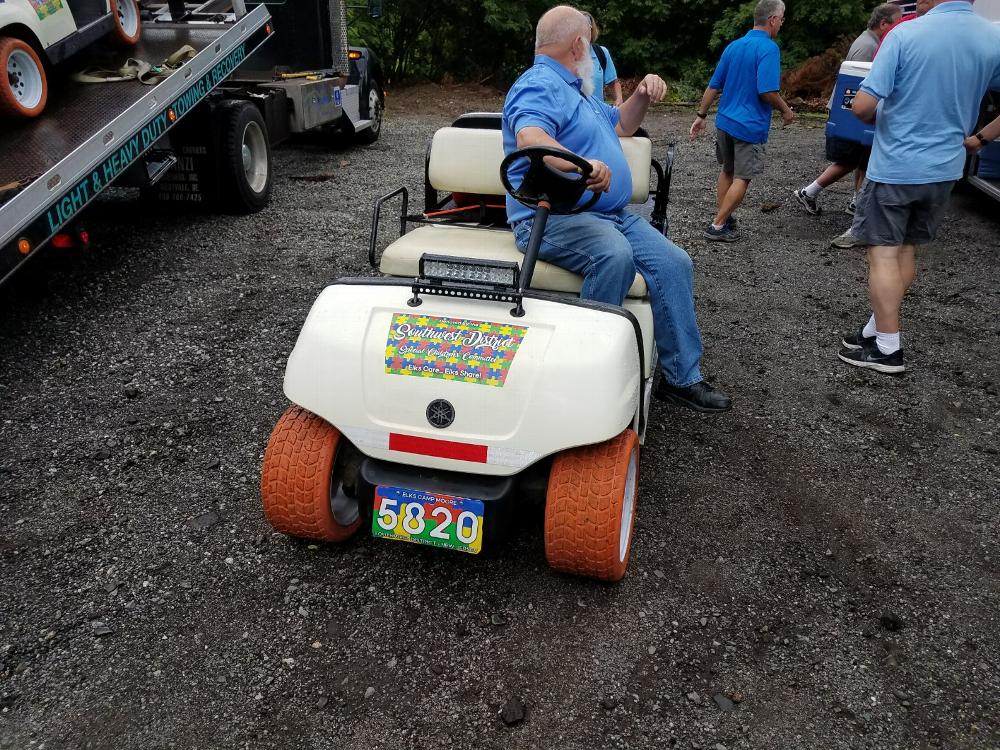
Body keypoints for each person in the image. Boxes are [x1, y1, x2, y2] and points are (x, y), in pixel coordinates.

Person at [502, 5, 731, 413]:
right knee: (613, 256)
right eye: (590, 45)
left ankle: (680, 378)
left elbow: (621, 125)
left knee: (674, 262)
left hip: (605, 215)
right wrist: (584, 165)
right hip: (552, 216)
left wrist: (641, 94)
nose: (593, 53)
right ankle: (583, 377)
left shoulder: (577, 90)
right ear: (578, 44)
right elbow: (531, 137)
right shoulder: (539, 85)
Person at [837, 0, 1000, 374]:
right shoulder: (991, 37)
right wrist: (981, 139)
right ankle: (876, 330)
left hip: (897, 166)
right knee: (906, 248)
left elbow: (862, 106)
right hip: (944, 170)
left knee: (883, 253)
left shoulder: (906, 34)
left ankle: (888, 350)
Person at [829, 0, 932, 249]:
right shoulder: (882, 40)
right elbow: (861, 94)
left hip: (884, 119)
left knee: (862, 164)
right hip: (886, 121)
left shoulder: (897, 33)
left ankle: (853, 212)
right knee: (862, 164)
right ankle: (860, 222)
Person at [690, 0, 795, 242]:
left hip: (725, 122)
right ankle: (717, 226)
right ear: (772, 20)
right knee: (742, 177)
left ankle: (724, 218)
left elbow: (713, 85)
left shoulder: (734, 46)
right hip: (749, 125)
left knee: (727, 170)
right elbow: (767, 91)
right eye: (781, 19)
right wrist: (786, 110)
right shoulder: (769, 48)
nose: (781, 23)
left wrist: (701, 116)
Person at [792, 4, 902, 217]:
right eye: (897, 22)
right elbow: (856, 85)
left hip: (850, 111)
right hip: (851, 112)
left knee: (860, 158)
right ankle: (813, 193)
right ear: (884, 24)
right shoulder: (868, 46)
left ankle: (853, 202)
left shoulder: (869, 41)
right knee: (853, 159)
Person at [584, 12, 623, 106]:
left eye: (587, 27)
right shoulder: (566, 55)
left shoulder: (601, 52)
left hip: (598, 115)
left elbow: (613, 83)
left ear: (591, 30)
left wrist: (619, 99)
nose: (583, 31)